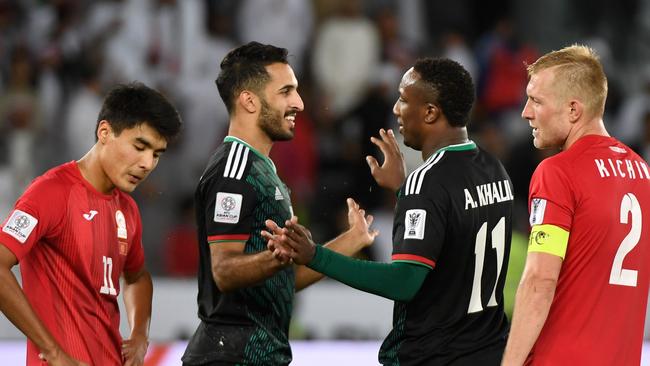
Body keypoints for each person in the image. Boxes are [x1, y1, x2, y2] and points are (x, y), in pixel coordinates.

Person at [266, 58, 514, 365]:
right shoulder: (494, 168)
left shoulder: (428, 182)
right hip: (488, 352)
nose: (396, 108)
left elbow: (404, 281)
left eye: (404, 99)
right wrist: (403, 190)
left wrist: (315, 256)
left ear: (430, 112)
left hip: (435, 356)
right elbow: (453, 236)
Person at [181, 41, 376, 366]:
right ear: (249, 101)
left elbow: (284, 280)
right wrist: (276, 258)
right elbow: (224, 271)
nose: (299, 102)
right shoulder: (235, 170)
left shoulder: (263, 168)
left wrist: (351, 241)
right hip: (230, 357)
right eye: (286, 91)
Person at [0, 82, 182, 365]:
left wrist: (139, 335)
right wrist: (54, 352)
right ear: (105, 132)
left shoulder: (128, 210)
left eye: (156, 154)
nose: (147, 163)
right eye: (140, 146)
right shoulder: (50, 192)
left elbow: (137, 277)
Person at [501, 45, 650, 365]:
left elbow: (540, 281)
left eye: (536, 101)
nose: (526, 112)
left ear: (573, 110)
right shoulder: (643, 172)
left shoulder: (557, 172)